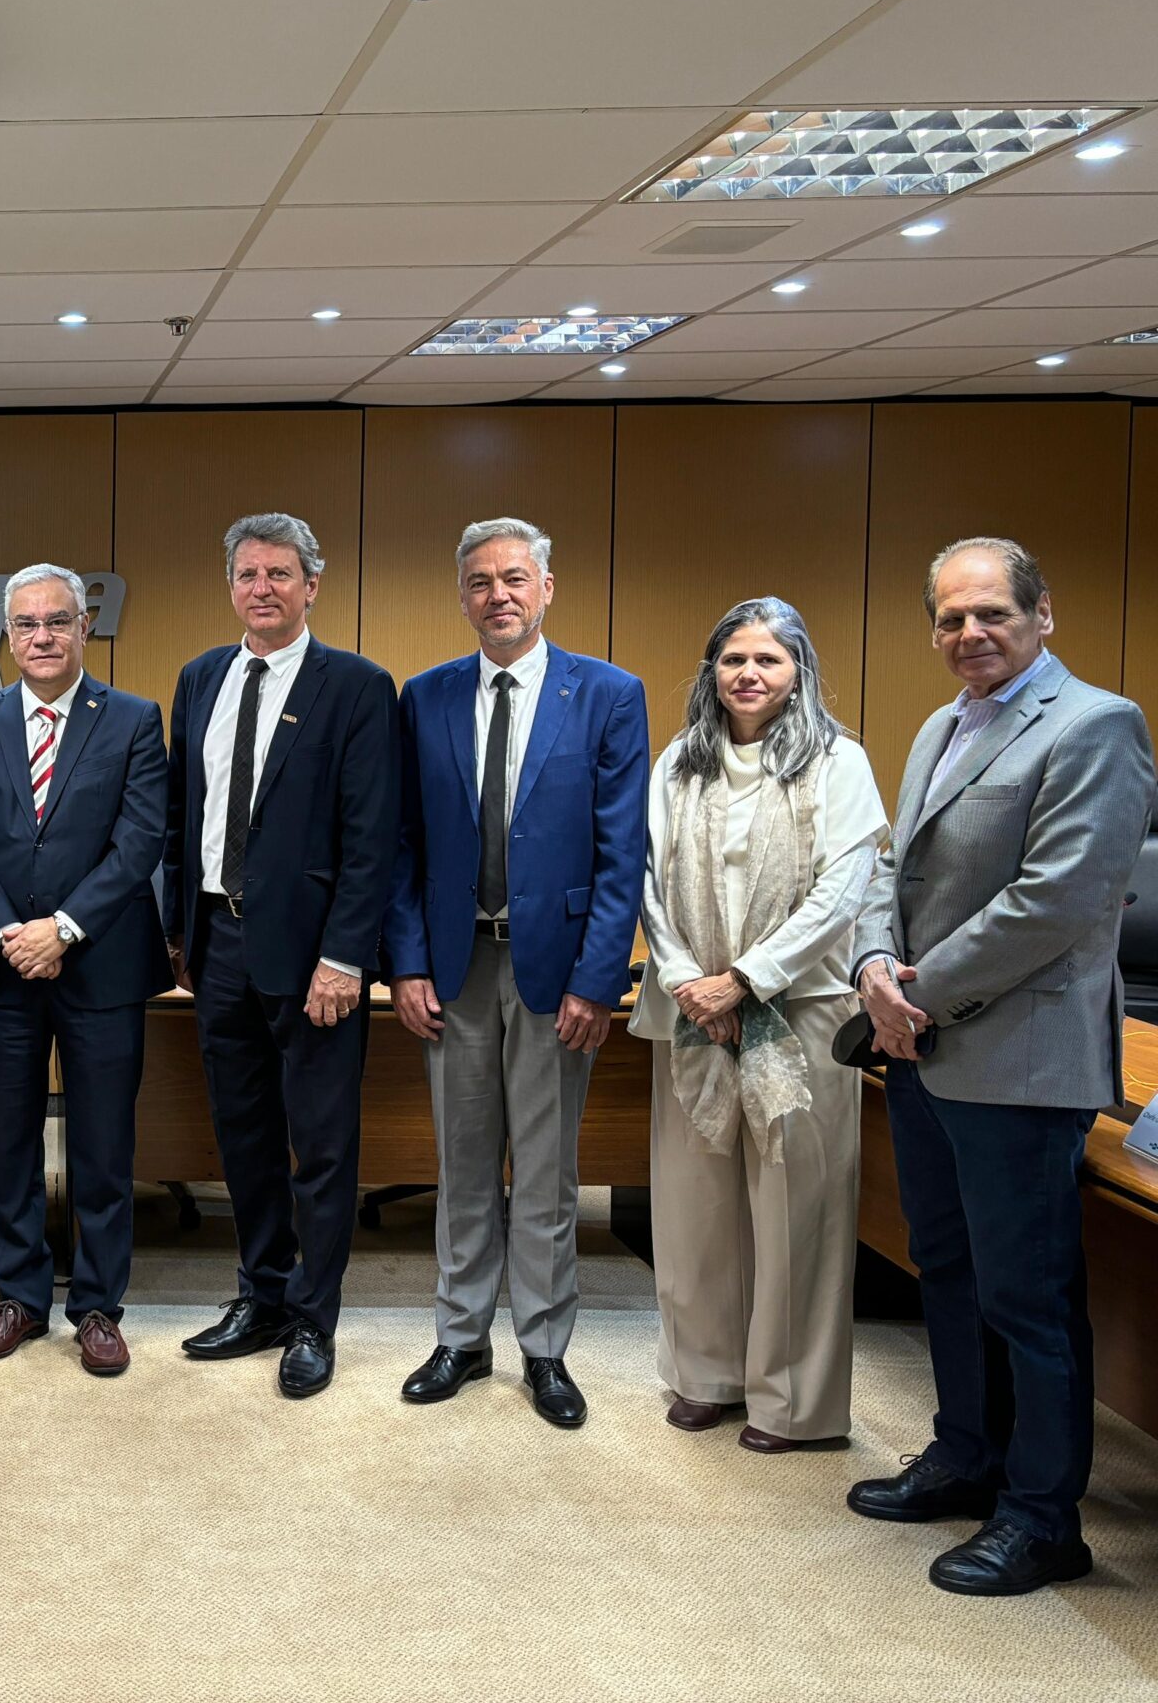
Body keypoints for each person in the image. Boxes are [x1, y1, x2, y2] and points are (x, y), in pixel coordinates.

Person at [846, 537, 1154, 1597]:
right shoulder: (941, 723)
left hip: (1020, 1063)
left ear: (1041, 614)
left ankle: (1041, 1516)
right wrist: (874, 962)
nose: (968, 634)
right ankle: (966, 1455)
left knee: (1027, 1296)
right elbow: (893, 865)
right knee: (947, 1269)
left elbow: (1058, 901)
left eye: (990, 614)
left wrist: (913, 991)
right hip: (922, 1051)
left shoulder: (1095, 725)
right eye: (949, 619)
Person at [386, 516, 646, 1429]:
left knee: (546, 1171)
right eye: (480, 582)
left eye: (514, 579)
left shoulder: (609, 695)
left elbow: (623, 854)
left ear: (546, 589)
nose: (498, 595)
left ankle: (544, 1349)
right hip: (454, 969)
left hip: (555, 969)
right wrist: (407, 963)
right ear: (461, 597)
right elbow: (404, 845)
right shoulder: (424, 697)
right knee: (462, 1166)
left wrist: (596, 980)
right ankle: (461, 1336)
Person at [630, 598, 888, 1452]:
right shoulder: (680, 764)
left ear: (798, 673)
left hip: (801, 1008)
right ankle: (707, 1374)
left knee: (795, 1213)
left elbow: (843, 890)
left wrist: (746, 980)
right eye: (733, 658)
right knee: (695, 1205)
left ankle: (795, 1405)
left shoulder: (838, 763)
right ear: (711, 670)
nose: (748, 674)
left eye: (768, 661)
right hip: (692, 1010)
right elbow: (648, 885)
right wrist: (685, 979)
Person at [163, 514, 399, 1400]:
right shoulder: (201, 680)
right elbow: (187, 812)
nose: (262, 587)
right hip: (218, 942)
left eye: (280, 573)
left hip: (314, 958)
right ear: (230, 586)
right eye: (248, 573)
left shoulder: (357, 686)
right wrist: (179, 931)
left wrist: (347, 957)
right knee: (245, 1135)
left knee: (322, 1145)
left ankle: (312, 1319)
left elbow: (372, 837)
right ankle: (259, 1297)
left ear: (312, 585)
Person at [0, 564, 169, 1376]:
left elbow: (140, 842)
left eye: (57, 622)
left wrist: (63, 929)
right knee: (10, 1141)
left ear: (84, 629)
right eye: (27, 624)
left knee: (105, 1144)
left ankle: (98, 1307)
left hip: (102, 964)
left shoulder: (135, 720)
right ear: (8, 635)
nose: (42, 637)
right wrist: (9, 933)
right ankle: (20, 1298)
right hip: (5, 971)